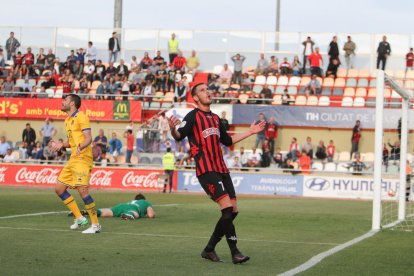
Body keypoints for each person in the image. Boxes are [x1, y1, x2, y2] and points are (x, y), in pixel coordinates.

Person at [167, 82, 265, 264]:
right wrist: (172, 128)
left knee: (233, 211)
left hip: (221, 169)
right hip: (206, 170)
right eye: (203, 90)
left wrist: (250, 132)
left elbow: (227, 141)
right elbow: (179, 135)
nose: (208, 92)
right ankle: (235, 253)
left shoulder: (215, 118)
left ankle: (209, 249)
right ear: (195, 97)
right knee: (227, 208)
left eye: (208, 89)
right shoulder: (193, 116)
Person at [51, 94, 101, 234]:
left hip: (83, 158)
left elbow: (88, 138)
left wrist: (81, 147)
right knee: (59, 189)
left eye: (65, 100)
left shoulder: (82, 117)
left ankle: (95, 225)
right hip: (73, 158)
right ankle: (79, 218)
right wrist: (62, 145)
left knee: (82, 190)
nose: (62, 102)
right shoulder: (67, 120)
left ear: (72, 103)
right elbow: (71, 142)